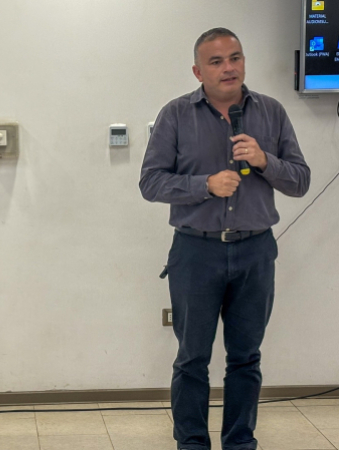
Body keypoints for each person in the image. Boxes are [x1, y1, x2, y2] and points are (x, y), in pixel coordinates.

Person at [139, 28, 310, 450]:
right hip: (196, 252)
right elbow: (151, 182)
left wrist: (265, 161)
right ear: (198, 71)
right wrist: (205, 185)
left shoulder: (271, 112)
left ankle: (239, 442)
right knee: (192, 358)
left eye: (235, 57)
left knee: (246, 358)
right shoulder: (176, 114)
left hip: (255, 250)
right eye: (216, 61)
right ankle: (192, 443)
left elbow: (301, 180)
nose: (228, 68)